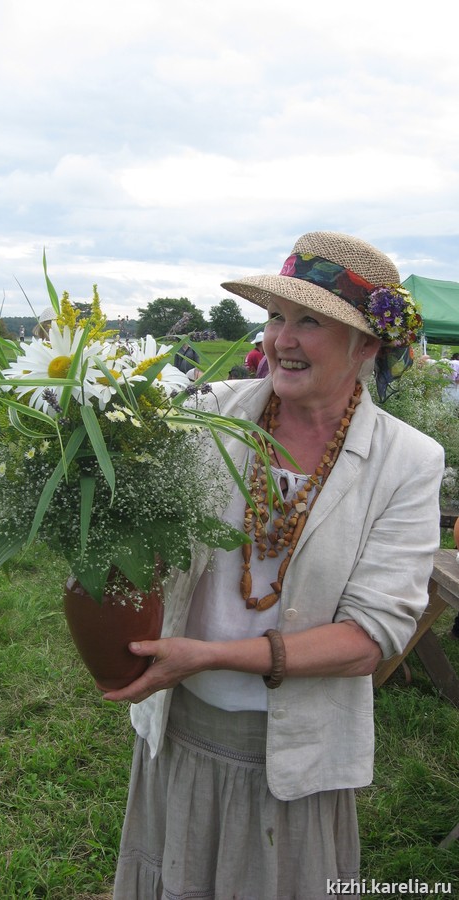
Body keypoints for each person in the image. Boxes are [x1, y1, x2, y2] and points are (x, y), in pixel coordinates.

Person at [105, 231, 444, 900]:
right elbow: (130, 512)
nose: (279, 340)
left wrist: (207, 655)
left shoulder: (408, 461)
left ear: (367, 346)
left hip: (295, 757)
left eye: (310, 322)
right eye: (276, 318)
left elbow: (369, 639)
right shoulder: (206, 416)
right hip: (182, 729)